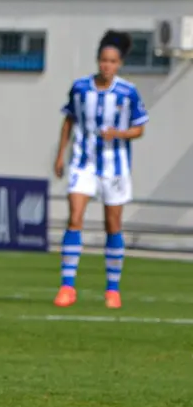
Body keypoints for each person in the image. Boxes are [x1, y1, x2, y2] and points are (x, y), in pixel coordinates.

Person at [53, 30, 148, 309]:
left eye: (112, 61)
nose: (107, 65)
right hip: (83, 163)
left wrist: (119, 133)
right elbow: (69, 121)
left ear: (119, 64)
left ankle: (112, 289)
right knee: (75, 217)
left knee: (113, 225)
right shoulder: (81, 88)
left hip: (114, 168)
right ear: (97, 61)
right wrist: (60, 155)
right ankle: (67, 286)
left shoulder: (127, 92)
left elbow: (139, 128)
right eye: (103, 60)